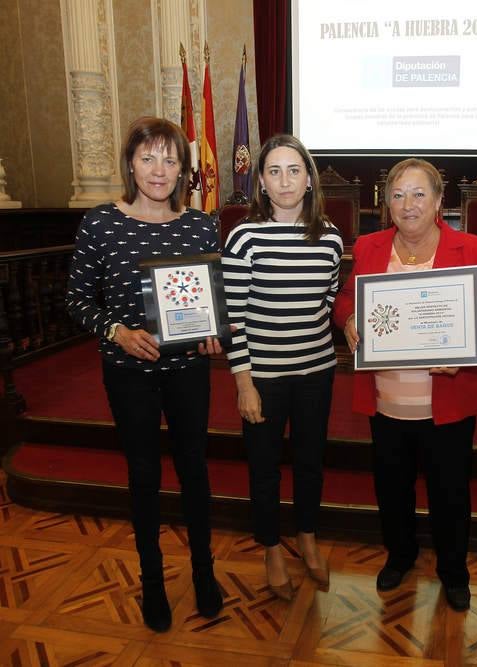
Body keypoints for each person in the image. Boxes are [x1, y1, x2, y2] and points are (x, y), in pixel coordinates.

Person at [332, 158, 477, 611]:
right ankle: (401, 556)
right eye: (398, 194)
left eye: (418, 194)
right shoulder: (371, 247)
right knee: (391, 489)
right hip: (387, 401)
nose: (407, 204)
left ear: (438, 201)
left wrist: (464, 346)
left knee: (450, 492)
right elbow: (347, 297)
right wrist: (350, 317)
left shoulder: (472, 248)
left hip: (446, 402)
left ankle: (454, 571)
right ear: (386, 203)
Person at [66, 117, 224, 633]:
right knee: (144, 477)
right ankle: (152, 583)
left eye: (170, 159)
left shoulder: (201, 224)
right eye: (148, 157)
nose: (159, 170)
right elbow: (76, 300)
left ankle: (204, 574)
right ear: (131, 163)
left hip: (188, 371)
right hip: (128, 373)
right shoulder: (101, 223)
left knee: (195, 473)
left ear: (184, 169)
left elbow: (211, 303)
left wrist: (212, 332)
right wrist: (115, 331)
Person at [222, 134, 342, 602]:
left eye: (294, 170)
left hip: (317, 372)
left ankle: (307, 537)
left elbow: (327, 301)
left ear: (309, 179)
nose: (285, 180)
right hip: (263, 380)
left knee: (311, 462)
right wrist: (244, 385)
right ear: (262, 183)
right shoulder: (244, 236)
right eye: (274, 171)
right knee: (265, 468)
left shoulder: (329, 235)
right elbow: (234, 318)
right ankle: (272, 548)